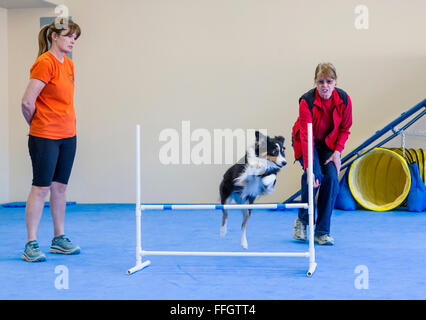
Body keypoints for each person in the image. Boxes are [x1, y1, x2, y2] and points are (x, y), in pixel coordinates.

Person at [20, 18, 81, 262]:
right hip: (45, 136)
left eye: (75, 37)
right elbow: (27, 102)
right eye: (68, 36)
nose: (72, 41)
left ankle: (58, 239)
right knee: (41, 187)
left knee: (60, 187)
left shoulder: (68, 64)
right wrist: (39, 125)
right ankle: (31, 243)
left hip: (68, 135)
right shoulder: (44, 63)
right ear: (54, 36)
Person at [291, 62, 352, 245]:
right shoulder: (306, 102)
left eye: (329, 81)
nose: (325, 86)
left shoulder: (344, 99)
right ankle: (302, 221)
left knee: (332, 179)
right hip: (306, 141)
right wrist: (310, 167)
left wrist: (338, 152)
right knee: (314, 176)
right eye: (321, 82)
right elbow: (306, 137)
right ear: (315, 82)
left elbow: (345, 128)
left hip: (328, 145)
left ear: (335, 82)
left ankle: (322, 232)